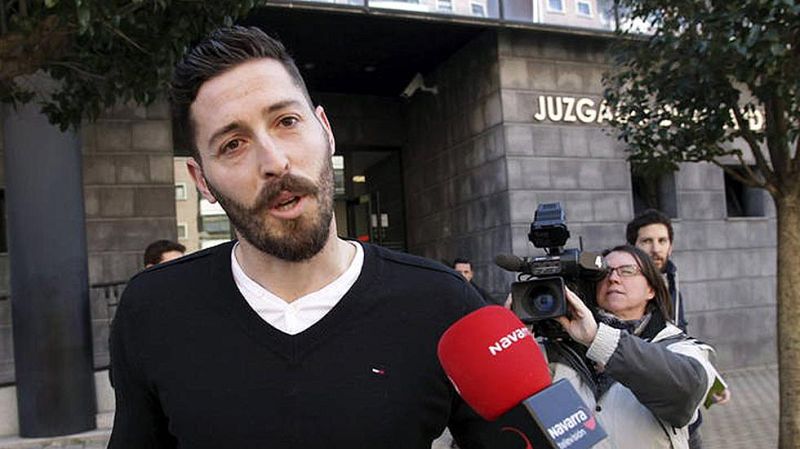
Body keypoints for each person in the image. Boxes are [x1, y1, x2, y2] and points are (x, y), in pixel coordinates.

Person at [108, 26, 493, 449]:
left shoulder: (443, 302)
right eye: (233, 144)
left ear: (325, 130)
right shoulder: (154, 310)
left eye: (287, 121)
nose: (274, 162)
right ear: (201, 180)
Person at [548, 245, 725, 449]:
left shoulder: (678, 345)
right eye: (605, 272)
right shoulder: (560, 350)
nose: (613, 278)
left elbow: (687, 390)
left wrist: (598, 339)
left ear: (651, 289)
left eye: (627, 271)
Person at [625, 209, 686, 330]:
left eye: (662, 241)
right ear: (631, 247)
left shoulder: (673, 288)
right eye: (647, 241)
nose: (656, 249)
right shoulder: (618, 288)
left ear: (670, 247)